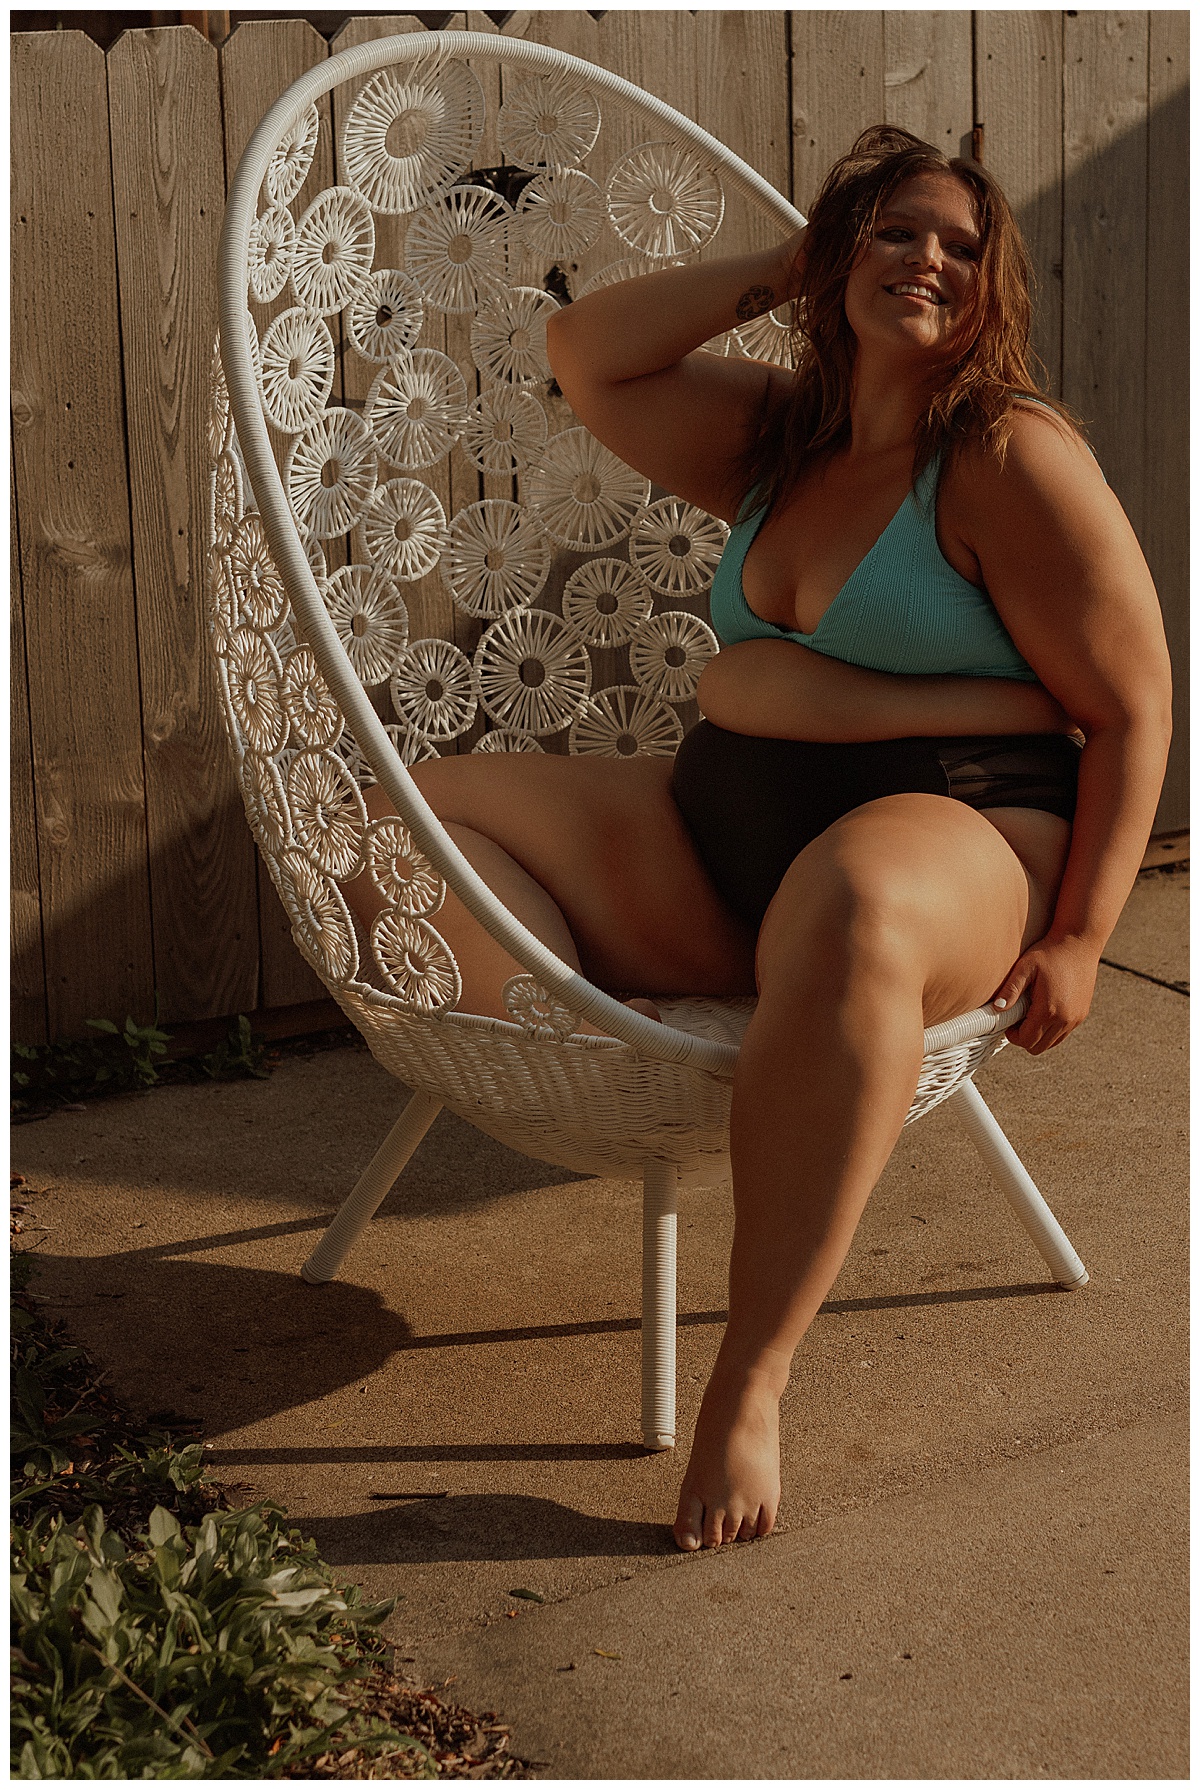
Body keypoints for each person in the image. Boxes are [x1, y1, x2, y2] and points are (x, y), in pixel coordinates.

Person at [345, 126, 1171, 1552]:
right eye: (898, 231)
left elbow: (1140, 702)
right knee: (417, 806)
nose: (929, 259)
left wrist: (1087, 932)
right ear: (842, 249)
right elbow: (587, 356)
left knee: (852, 911)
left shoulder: (1002, 455)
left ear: (993, 291)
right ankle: (602, 1030)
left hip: (957, 826)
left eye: (962, 248)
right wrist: (795, 264)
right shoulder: (782, 438)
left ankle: (753, 1374)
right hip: (728, 847)